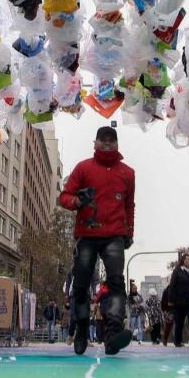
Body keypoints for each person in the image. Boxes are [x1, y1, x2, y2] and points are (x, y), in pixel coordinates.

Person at [58, 126, 136, 356]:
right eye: (103, 140)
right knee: (81, 285)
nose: (107, 144)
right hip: (87, 235)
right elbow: (64, 197)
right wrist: (78, 202)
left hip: (114, 235)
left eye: (112, 140)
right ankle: (81, 329)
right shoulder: (83, 168)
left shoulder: (128, 173)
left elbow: (129, 205)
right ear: (95, 143)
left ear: (117, 144)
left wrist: (129, 232)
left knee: (116, 283)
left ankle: (113, 333)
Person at [167, 252, 189, 347]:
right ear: (182, 261)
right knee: (179, 323)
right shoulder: (177, 271)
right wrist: (170, 301)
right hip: (180, 302)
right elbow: (172, 286)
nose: (187, 260)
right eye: (185, 259)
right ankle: (178, 341)